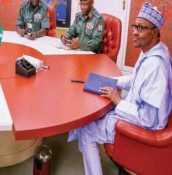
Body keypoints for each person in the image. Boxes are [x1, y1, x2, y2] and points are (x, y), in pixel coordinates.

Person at [68, 2, 172, 175]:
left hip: (142, 128)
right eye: (134, 26)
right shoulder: (152, 50)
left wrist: (118, 101)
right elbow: (134, 79)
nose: (135, 32)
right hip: (137, 113)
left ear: (154, 32)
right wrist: (109, 81)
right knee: (95, 112)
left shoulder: (155, 67)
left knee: (86, 128)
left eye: (141, 28)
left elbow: (149, 120)